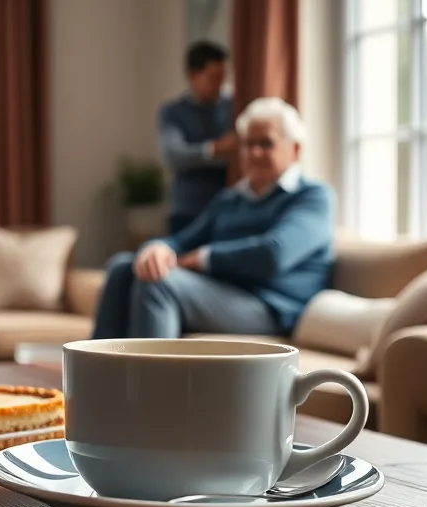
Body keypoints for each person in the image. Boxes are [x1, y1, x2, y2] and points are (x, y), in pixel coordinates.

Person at [92, 97, 333, 339]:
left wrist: (204, 258)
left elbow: (273, 255)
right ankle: (94, 375)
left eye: (265, 143)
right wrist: (157, 248)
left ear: (295, 149)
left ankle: (153, 377)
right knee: (123, 267)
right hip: (219, 292)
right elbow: (182, 240)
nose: (254, 152)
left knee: (158, 283)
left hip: (271, 306)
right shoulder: (230, 199)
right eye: (248, 144)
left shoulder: (313, 197)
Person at [159, 41, 237, 235]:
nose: (220, 84)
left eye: (222, 77)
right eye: (213, 78)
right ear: (192, 75)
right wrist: (215, 149)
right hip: (188, 211)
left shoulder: (233, 107)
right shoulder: (173, 113)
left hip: (228, 210)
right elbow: (175, 156)